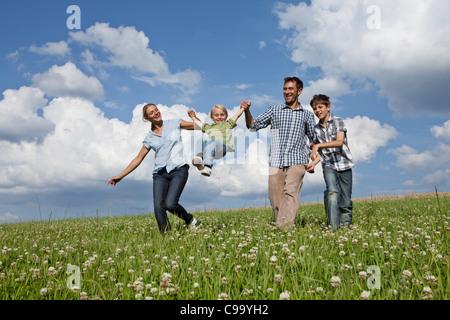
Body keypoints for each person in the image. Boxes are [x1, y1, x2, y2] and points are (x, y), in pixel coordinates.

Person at [108, 103, 200, 233]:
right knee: (158, 207)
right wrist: (120, 176)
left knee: (170, 204)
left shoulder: (174, 123)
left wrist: (194, 117)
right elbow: (138, 159)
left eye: (156, 110)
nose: (156, 113)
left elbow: (199, 127)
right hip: (160, 174)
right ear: (147, 118)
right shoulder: (149, 138)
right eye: (151, 112)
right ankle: (166, 236)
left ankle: (190, 220)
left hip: (179, 169)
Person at [241, 77, 317, 230]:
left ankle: (284, 231)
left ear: (299, 91)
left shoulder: (307, 115)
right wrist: (247, 111)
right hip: (275, 161)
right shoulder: (274, 109)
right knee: (275, 198)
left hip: (298, 159)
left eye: (290, 89)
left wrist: (314, 160)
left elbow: (314, 140)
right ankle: (281, 226)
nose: (287, 92)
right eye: (285, 89)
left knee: (290, 192)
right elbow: (252, 125)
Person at [307, 94, 355, 230]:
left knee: (345, 201)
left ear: (328, 107)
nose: (318, 111)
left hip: (344, 164)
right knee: (333, 192)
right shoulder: (316, 129)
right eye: (315, 109)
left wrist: (318, 146)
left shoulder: (338, 121)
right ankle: (333, 229)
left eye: (320, 107)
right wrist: (314, 163)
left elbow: (339, 142)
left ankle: (345, 230)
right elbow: (320, 153)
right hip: (329, 165)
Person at [188, 104, 245, 177]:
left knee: (215, 141)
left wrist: (242, 108)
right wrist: (193, 116)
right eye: (216, 115)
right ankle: (199, 158)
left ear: (226, 116)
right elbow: (200, 124)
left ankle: (208, 167)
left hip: (223, 148)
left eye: (222, 115)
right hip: (212, 151)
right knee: (201, 140)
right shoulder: (209, 127)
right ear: (212, 117)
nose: (219, 117)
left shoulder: (228, 124)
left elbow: (237, 116)